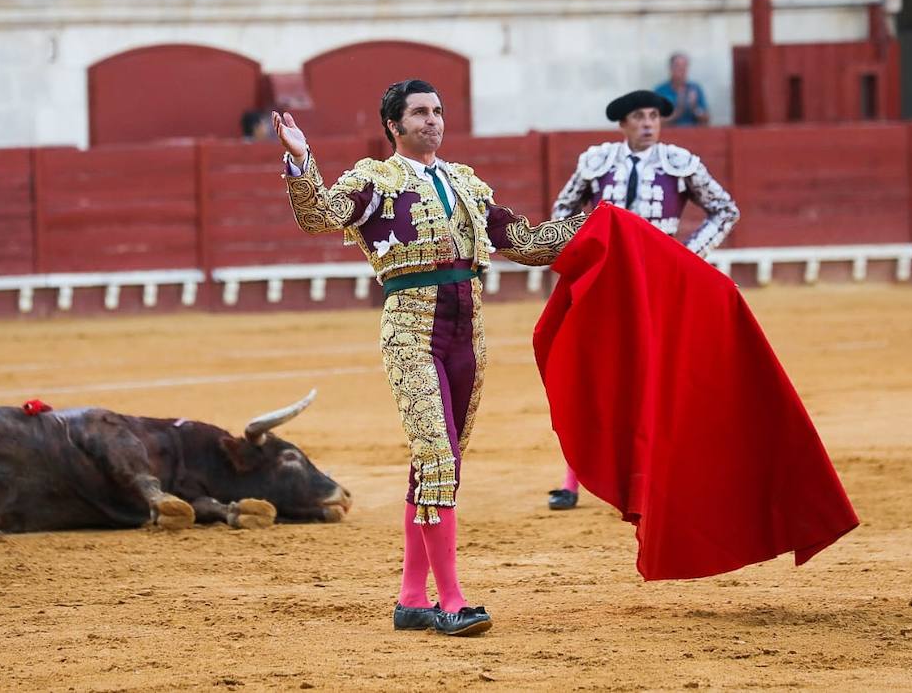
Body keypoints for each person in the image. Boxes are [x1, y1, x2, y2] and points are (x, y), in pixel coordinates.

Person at [276, 80, 586, 636]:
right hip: (411, 331)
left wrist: (599, 225)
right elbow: (319, 215)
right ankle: (452, 601)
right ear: (393, 125)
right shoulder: (375, 180)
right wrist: (301, 161)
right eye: (420, 112)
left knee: (441, 463)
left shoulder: (466, 184)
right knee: (438, 459)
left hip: (468, 332)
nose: (433, 120)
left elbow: (526, 243)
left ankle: (411, 599)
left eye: (438, 111)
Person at [546, 89, 739, 510]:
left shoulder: (680, 162)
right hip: (604, 280)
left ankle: (656, 474)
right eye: (639, 116)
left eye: (654, 115)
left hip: (657, 279)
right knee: (594, 375)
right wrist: (581, 253)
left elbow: (725, 210)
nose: (648, 123)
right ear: (623, 124)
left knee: (656, 375)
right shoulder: (597, 161)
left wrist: (685, 257)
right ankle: (572, 481)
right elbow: (563, 212)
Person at [654, 52, 710, 126]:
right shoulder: (660, 91)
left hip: (692, 131)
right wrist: (678, 111)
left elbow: (707, 120)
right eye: (677, 66)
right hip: (669, 132)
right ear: (670, 68)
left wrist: (694, 107)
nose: (681, 69)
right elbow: (655, 121)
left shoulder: (695, 89)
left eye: (684, 66)